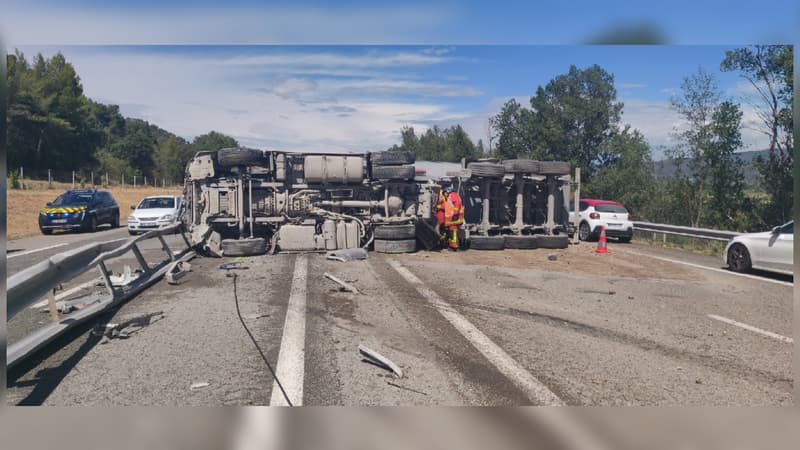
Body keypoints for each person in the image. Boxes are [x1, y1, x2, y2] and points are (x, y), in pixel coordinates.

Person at [436, 184, 463, 251]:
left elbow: (455, 207)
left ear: (448, 190)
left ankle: (454, 247)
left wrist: (455, 215)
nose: (444, 194)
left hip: (454, 218)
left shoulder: (453, 196)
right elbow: (448, 205)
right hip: (452, 218)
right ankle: (451, 245)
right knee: (451, 232)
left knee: (453, 232)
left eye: (445, 192)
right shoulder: (452, 196)